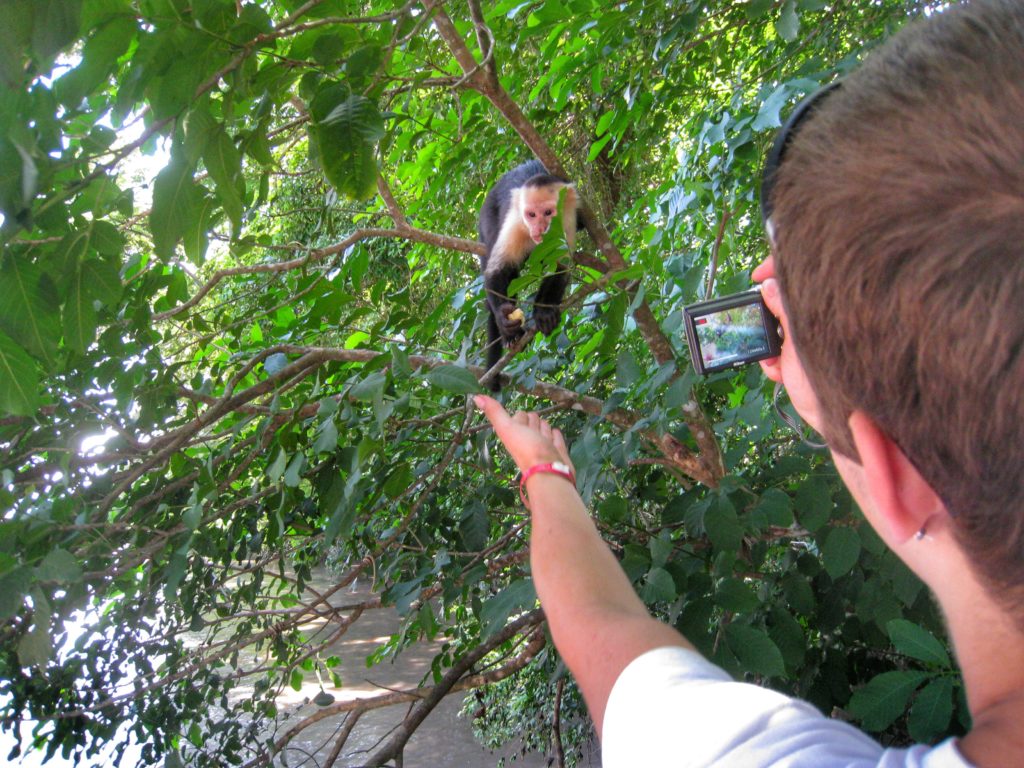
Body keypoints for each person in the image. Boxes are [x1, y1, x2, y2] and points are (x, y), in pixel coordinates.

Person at [473, 0, 1024, 765]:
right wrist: (506, 339)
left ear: (899, 475)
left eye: (543, 217)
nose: (536, 227)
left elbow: (608, 639)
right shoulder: (511, 222)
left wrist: (544, 470)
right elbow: (497, 282)